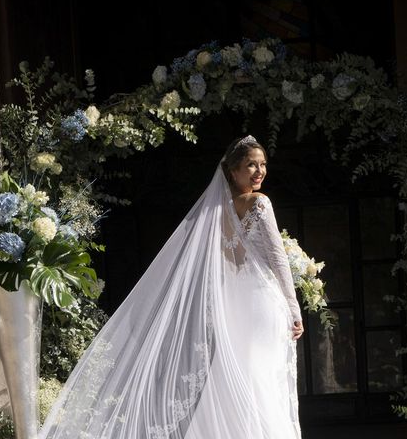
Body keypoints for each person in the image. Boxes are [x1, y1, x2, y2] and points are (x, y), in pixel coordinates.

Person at [39, 135, 304, 439]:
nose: (259, 171)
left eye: (263, 165)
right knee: (263, 379)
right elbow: (278, 259)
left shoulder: (217, 211)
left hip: (232, 303)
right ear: (233, 171)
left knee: (239, 374)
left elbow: (229, 262)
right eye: (251, 165)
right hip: (259, 301)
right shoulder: (259, 203)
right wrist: (293, 308)